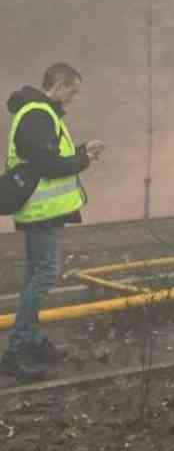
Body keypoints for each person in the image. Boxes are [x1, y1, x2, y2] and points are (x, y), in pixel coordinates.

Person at [2, 63, 105, 381]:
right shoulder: (38, 115)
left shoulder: (41, 114)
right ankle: (18, 347)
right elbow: (48, 165)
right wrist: (83, 160)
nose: (73, 98)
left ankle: (31, 341)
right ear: (58, 85)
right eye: (72, 91)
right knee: (45, 274)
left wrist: (81, 151)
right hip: (41, 211)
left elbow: (46, 158)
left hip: (41, 211)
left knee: (37, 274)